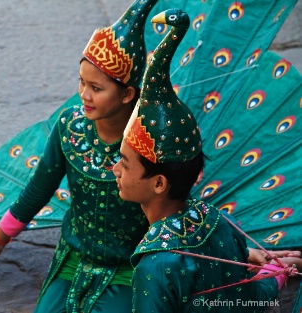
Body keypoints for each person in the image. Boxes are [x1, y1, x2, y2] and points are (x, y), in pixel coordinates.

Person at [0, 0, 158, 312]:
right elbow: (38, 188)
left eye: (96, 88)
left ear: (127, 94)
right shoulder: (70, 126)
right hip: (75, 256)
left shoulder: (149, 139)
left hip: (130, 265)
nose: (84, 95)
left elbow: (173, 207)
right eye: (81, 82)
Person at [112, 8, 299, 313]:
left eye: (124, 163)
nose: (114, 168)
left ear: (159, 183)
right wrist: (276, 273)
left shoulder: (156, 267)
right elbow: (246, 300)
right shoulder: (218, 220)